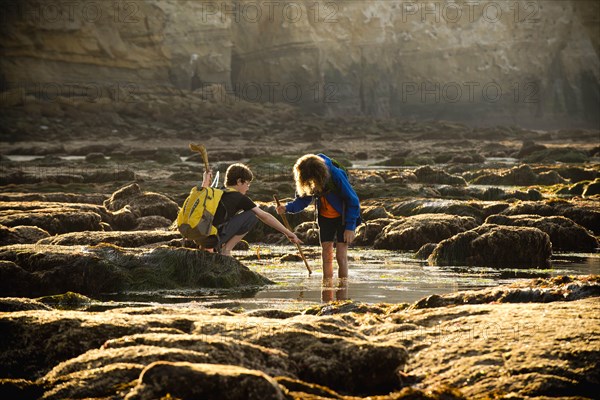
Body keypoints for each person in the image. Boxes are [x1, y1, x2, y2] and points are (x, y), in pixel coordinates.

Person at [276, 154, 361, 280]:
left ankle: (343, 289)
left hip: (343, 217)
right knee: (326, 253)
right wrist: (287, 208)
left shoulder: (335, 174)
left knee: (340, 255)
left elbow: (353, 201)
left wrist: (350, 227)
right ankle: (327, 288)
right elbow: (302, 200)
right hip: (324, 217)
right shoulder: (307, 175)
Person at [201, 163, 302, 255]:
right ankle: (226, 250)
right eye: (247, 184)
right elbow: (265, 216)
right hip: (214, 238)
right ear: (239, 181)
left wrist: (205, 181)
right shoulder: (239, 197)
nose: (248, 188)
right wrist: (289, 233)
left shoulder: (217, 192)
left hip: (201, 236)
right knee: (251, 215)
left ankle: (215, 248)